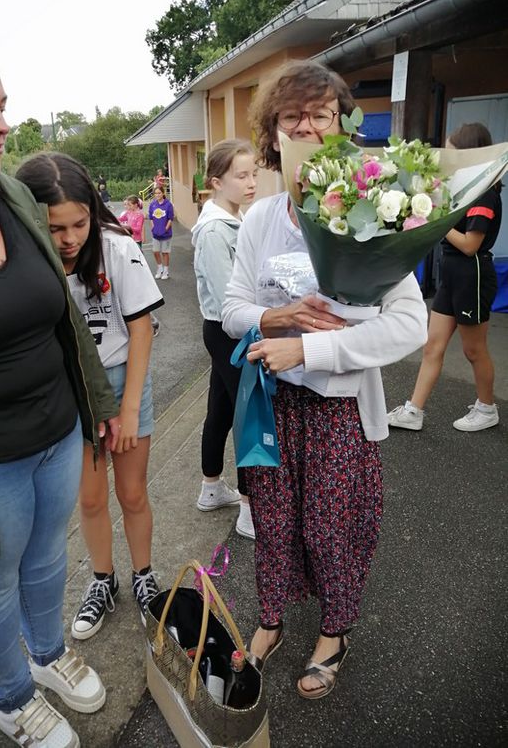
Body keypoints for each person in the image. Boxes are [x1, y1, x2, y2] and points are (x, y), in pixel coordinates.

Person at [0, 28, 120, 748]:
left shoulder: (9, 192)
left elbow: (62, 315)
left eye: (3, 104)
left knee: (47, 560)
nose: (2, 123)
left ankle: (45, 656)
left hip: (55, 432)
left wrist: (95, 404)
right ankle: (11, 697)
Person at [221, 60, 427, 699]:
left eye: (321, 114)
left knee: (330, 526)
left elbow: (409, 327)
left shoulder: (374, 218)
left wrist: (311, 347)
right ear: (273, 134)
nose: (306, 127)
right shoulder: (259, 219)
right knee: (275, 521)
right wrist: (272, 317)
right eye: (292, 117)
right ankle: (273, 619)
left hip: (339, 408)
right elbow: (230, 309)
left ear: (342, 127)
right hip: (272, 405)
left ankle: (334, 631)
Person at [16, 152, 165, 640]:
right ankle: (104, 580)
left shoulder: (118, 249)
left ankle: (145, 576)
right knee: (91, 497)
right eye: (56, 228)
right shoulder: (28, 258)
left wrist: (126, 406)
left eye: (79, 223)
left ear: (93, 211)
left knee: (132, 491)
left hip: (123, 383)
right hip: (67, 393)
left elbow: (141, 331)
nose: (70, 238)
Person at [387, 122, 502, 433]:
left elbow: (469, 245)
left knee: (473, 350)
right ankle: (413, 411)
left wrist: (432, 222)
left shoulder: (484, 194)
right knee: (432, 345)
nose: (447, 158)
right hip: (452, 274)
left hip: (472, 273)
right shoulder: (462, 189)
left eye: (452, 151)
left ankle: (487, 408)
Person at [192, 139, 258, 539]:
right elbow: (225, 297)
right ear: (217, 182)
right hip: (229, 330)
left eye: (253, 174)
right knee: (249, 416)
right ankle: (251, 510)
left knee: (220, 408)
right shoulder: (216, 231)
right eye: (241, 175)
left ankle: (211, 488)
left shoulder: (234, 219)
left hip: (226, 330)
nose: (251, 182)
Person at [119, 195, 161, 337]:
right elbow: (119, 220)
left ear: (136, 205)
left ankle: (152, 322)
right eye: (126, 205)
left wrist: (125, 227)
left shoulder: (139, 215)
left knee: (137, 276)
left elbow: (136, 229)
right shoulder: (128, 213)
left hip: (135, 243)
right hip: (129, 243)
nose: (127, 207)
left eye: (129, 204)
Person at [148, 185, 174, 280]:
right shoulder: (152, 204)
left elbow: (170, 219)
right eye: (156, 193)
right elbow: (150, 218)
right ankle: (160, 269)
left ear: (163, 193)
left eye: (159, 193)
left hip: (166, 234)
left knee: (165, 253)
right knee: (155, 252)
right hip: (156, 233)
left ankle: (166, 272)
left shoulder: (168, 205)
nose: (157, 195)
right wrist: (153, 227)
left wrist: (165, 229)